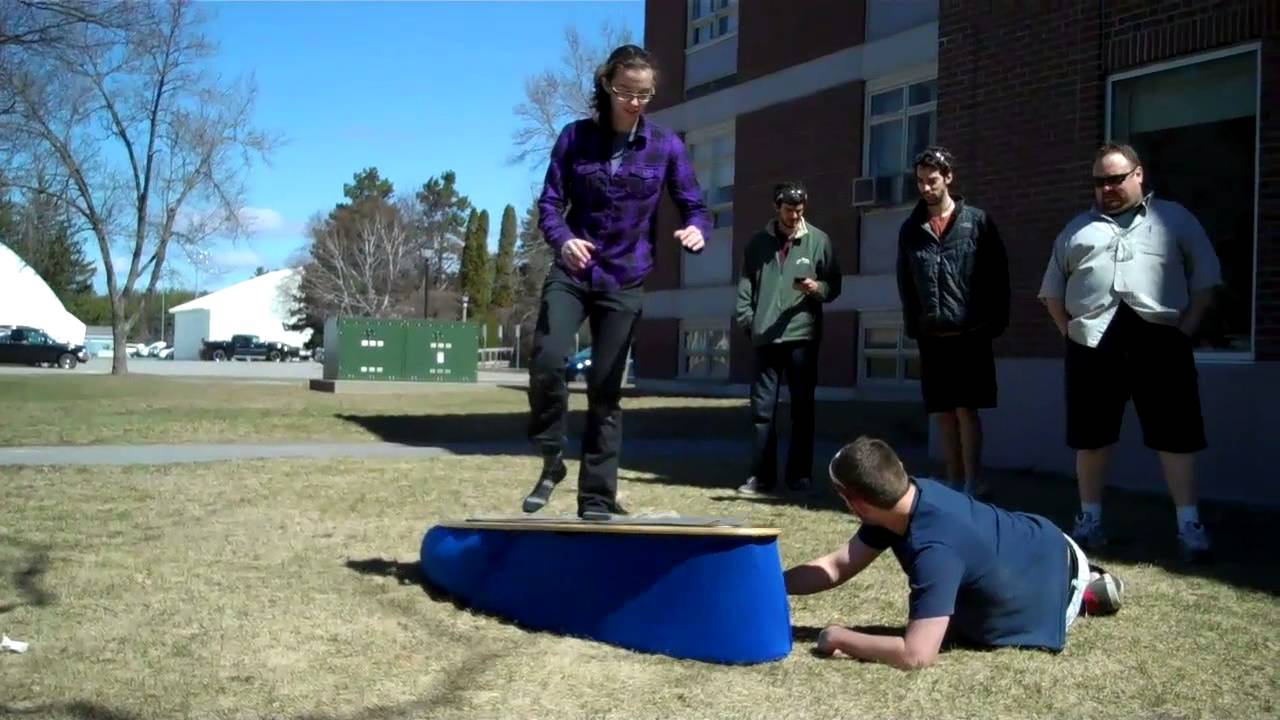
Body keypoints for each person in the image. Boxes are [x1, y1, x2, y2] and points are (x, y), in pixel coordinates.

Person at [522, 44, 711, 519]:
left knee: (606, 388)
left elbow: (695, 205)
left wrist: (697, 230)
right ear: (607, 85)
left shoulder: (665, 146)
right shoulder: (573, 138)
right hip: (573, 269)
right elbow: (549, 203)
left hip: (625, 275)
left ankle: (596, 499)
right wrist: (563, 238)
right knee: (547, 359)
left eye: (644, 94)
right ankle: (550, 457)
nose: (635, 102)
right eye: (627, 92)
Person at [784, 436, 1125, 671]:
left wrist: (839, 636)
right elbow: (837, 565)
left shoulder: (934, 549)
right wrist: (771, 583)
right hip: (1040, 540)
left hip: (1051, 583)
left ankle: (1087, 593)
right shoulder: (904, 498)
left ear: (855, 504)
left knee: (1049, 595)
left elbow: (917, 654)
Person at [1038, 143, 1221, 563]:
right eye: (1100, 181)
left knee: (1177, 436)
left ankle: (1189, 525)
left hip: (1160, 341)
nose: (1108, 188)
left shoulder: (1175, 220)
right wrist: (1071, 334)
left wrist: (1184, 332)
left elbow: (1207, 279)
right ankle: (1089, 520)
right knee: (1091, 437)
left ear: (1138, 175)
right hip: (1092, 344)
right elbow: (1051, 292)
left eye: (1116, 179)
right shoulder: (1075, 230)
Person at [895, 147, 1009, 498]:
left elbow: (997, 276)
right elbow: (905, 281)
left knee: (966, 410)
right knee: (942, 411)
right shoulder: (911, 229)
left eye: (932, 181)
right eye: (920, 182)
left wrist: (992, 322)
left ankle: (974, 481)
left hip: (970, 333)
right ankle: (954, 479)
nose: (926, 188)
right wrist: (915, 323)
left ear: (948, 177)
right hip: (933, 333)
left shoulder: (976, 221)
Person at [734, 181, 842, 496]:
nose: (794, 216)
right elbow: (746, 286)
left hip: (801, 335)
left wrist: (817, 289)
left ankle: (799, 476)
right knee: (762, 412)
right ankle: (761, 478)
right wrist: (747, 321)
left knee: (802, 410)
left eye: (799, 210)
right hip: (766, 336)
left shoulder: (818, 240)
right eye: (789, 210)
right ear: (776, 207)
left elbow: (834, 283)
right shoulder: (757, 244)